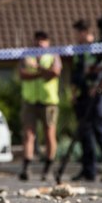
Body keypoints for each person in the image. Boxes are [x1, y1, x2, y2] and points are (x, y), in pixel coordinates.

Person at [70, 19, 102, 182]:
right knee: (84, 132)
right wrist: (74, 92)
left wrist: (99, 86)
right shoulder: (79, 50)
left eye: (77, 33)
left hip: (97, 93)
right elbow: (76, 73)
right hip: (83, 94)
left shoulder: (98, 48)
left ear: (85, 32)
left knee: (100, 130)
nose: (76, 36)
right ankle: (88, 170)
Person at [18, 31, 62, 181]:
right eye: (38, 40)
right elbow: (22, 74)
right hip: (30, 101)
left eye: (43, 41)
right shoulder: (27, 54)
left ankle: (48, 167)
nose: (40, 43)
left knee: (49, 134)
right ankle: (26, 167)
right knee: (28, 134)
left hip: (48, 101)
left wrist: (37, 68)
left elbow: (55, 73)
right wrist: (42, 72)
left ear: (48, 42)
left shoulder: (53, 55)